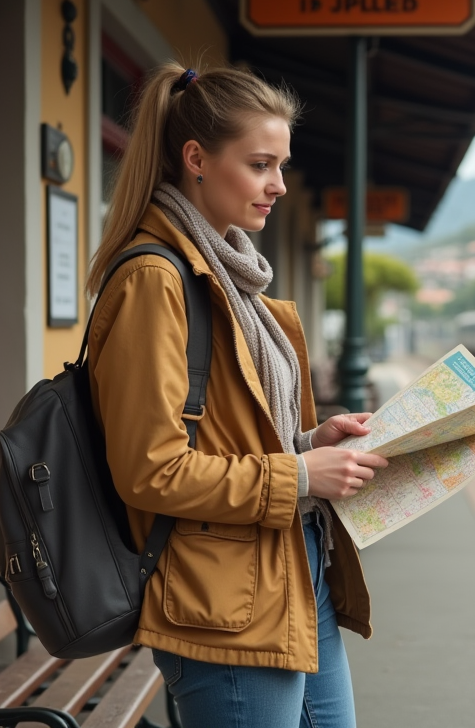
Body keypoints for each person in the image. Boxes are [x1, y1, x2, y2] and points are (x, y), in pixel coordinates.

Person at [85, 61, 387, 728]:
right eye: (259, 165)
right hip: (222, 601)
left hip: (295, 573)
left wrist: (312, 443)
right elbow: (150, 470)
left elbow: (230, 433)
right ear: (196, 158)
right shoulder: (155, 281)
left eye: (281, 165)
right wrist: (303, 472)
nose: (278, 185)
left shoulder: (232, 277)